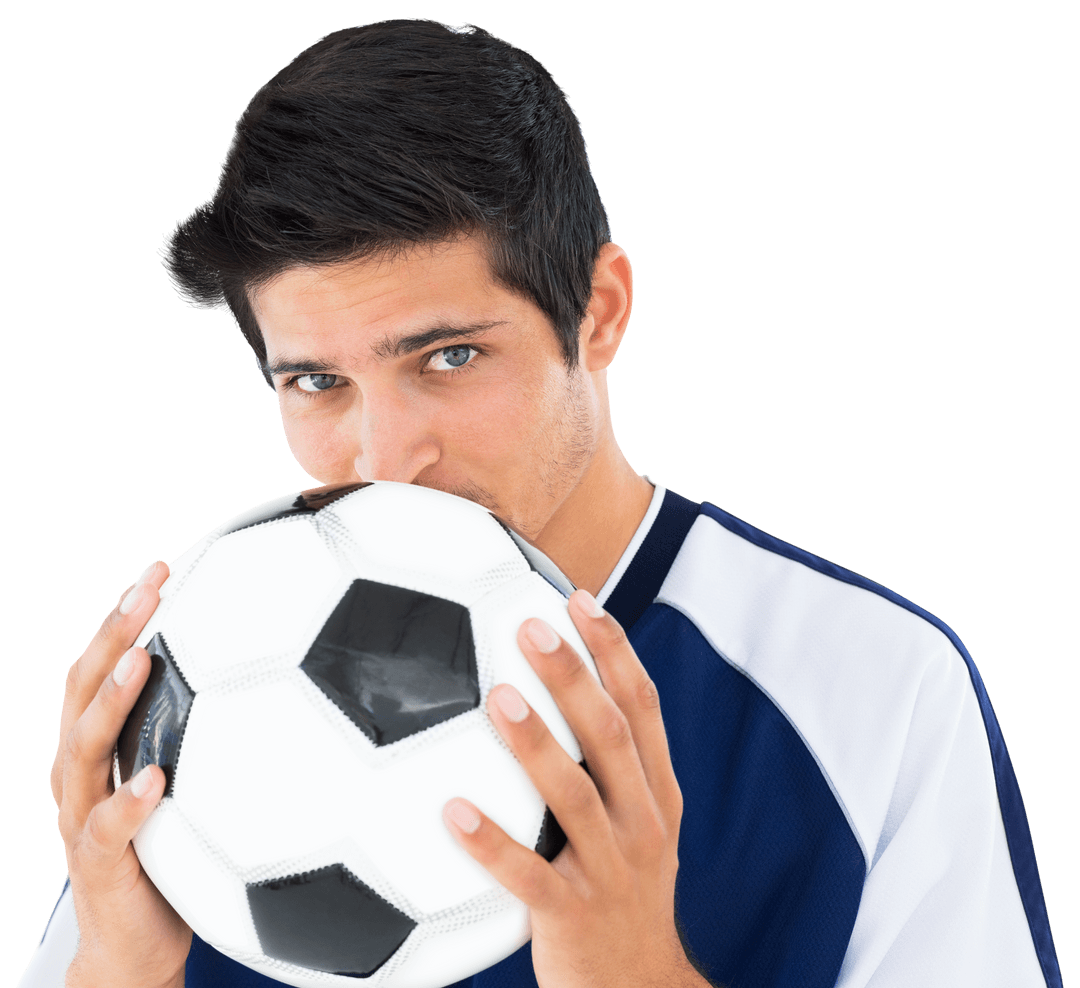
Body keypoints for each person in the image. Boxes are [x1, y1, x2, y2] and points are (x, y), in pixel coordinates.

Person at [23, 18, 1061, 988]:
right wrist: (113, 964)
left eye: (450, 356)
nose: (384, 457)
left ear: (598, 311)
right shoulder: (198, 682)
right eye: (315, 382)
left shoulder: (868, 687)